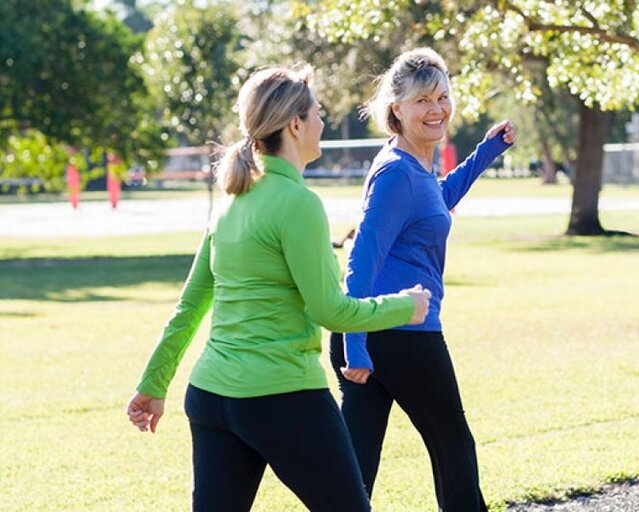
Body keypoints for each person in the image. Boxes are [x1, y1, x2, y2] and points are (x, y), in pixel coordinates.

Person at [126, 65, 432, 512]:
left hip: (212, 398)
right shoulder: (299, 204)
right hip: (283, 397)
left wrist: (154, 384)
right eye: (317, 113)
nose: (323, 123)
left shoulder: (232, 203)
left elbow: (189, 306)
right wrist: (403, 306)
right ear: (294, 124)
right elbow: (332, 312)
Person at [330, 48, 517, 511]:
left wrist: (487, 151)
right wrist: (356, 347)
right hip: (398, 332)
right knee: (453, 447)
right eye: (422, 101)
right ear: (397, 108)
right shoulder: (397, 173)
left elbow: (435, 197)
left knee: (356, 467)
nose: (436, 110)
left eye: (442, 97)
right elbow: (361, 258)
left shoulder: (411, 163)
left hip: (375, 332)